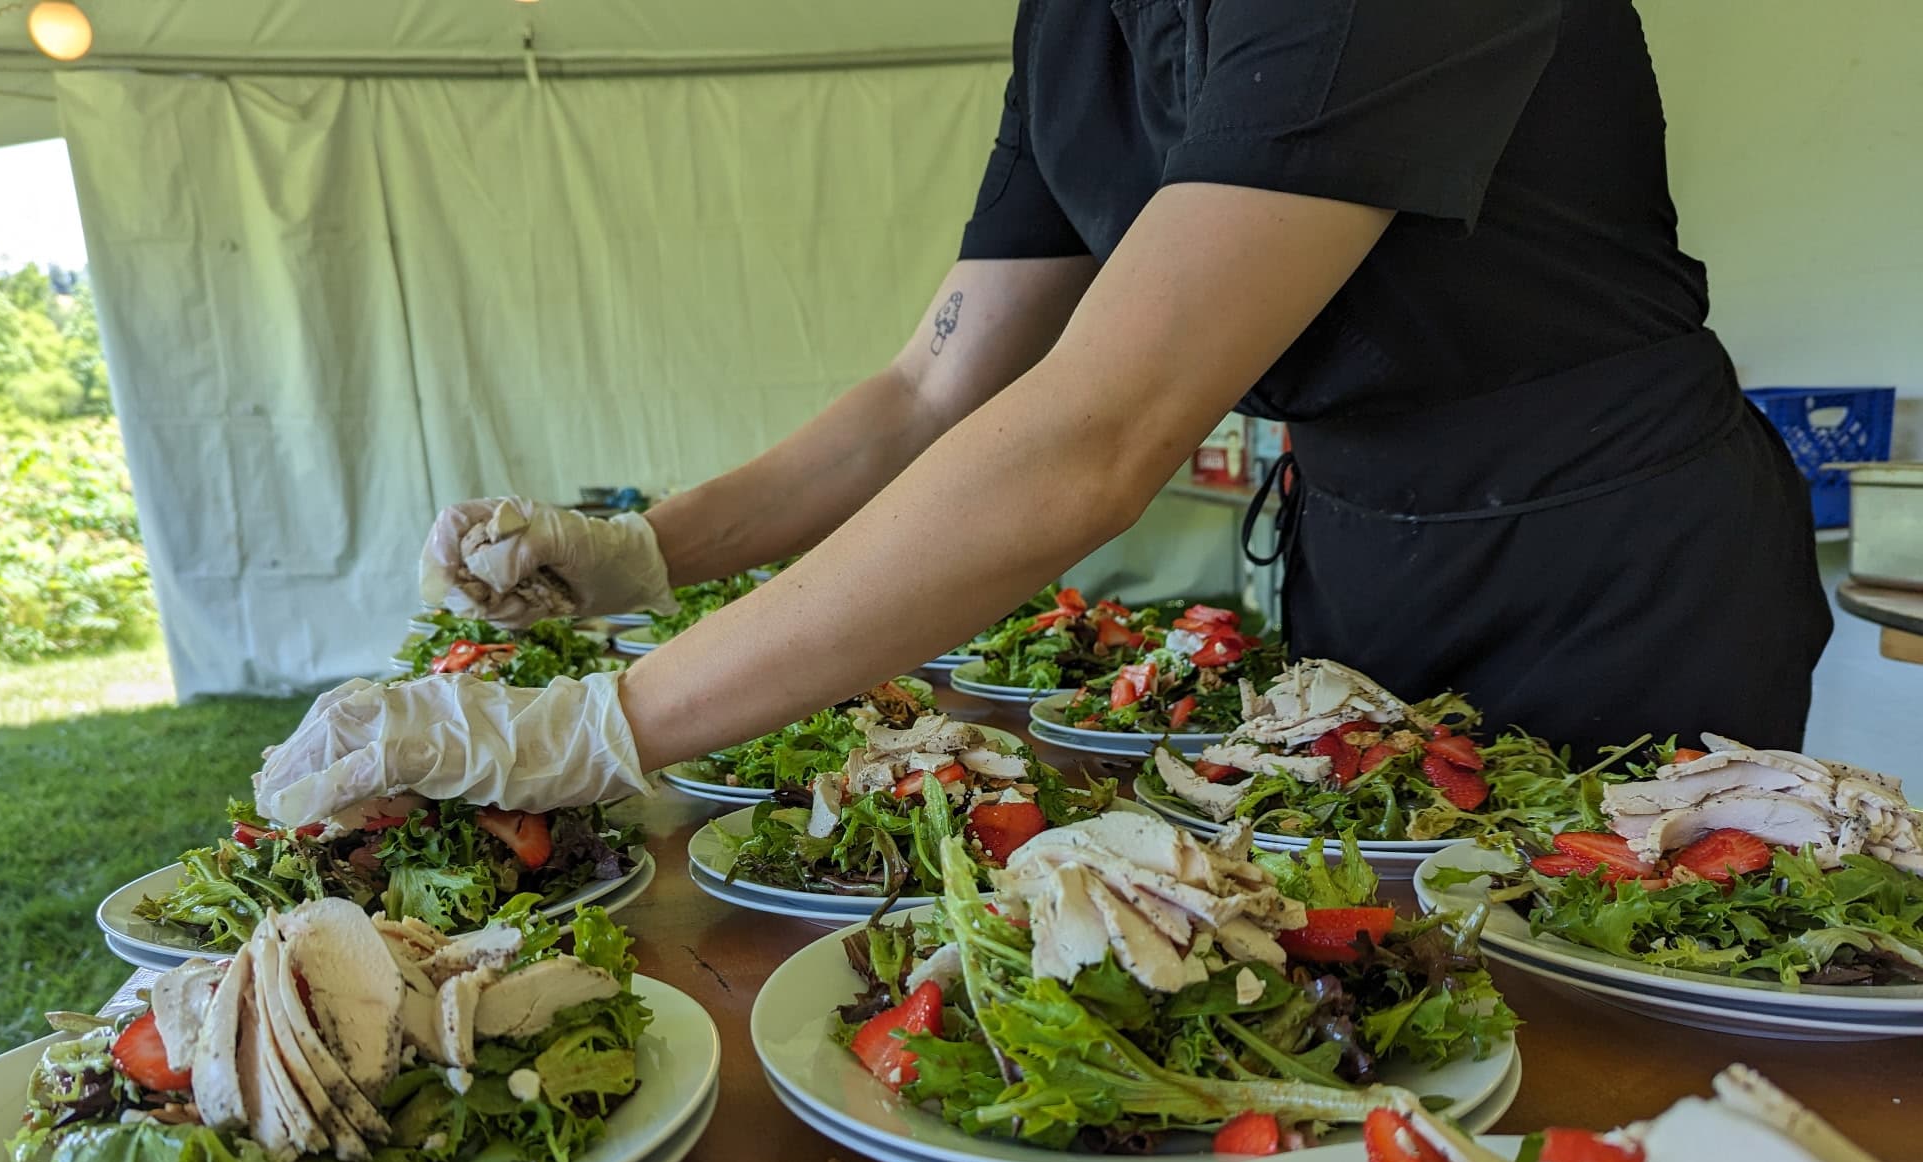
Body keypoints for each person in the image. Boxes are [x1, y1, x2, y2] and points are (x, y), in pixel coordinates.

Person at [255, 0, 1832, 828]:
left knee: (1607, 1036)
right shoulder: (1078, 20)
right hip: (1368, 551)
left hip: (1615, 559)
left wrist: (603, 724)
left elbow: (1102, 427)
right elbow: (934, 384)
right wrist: (636, 553)